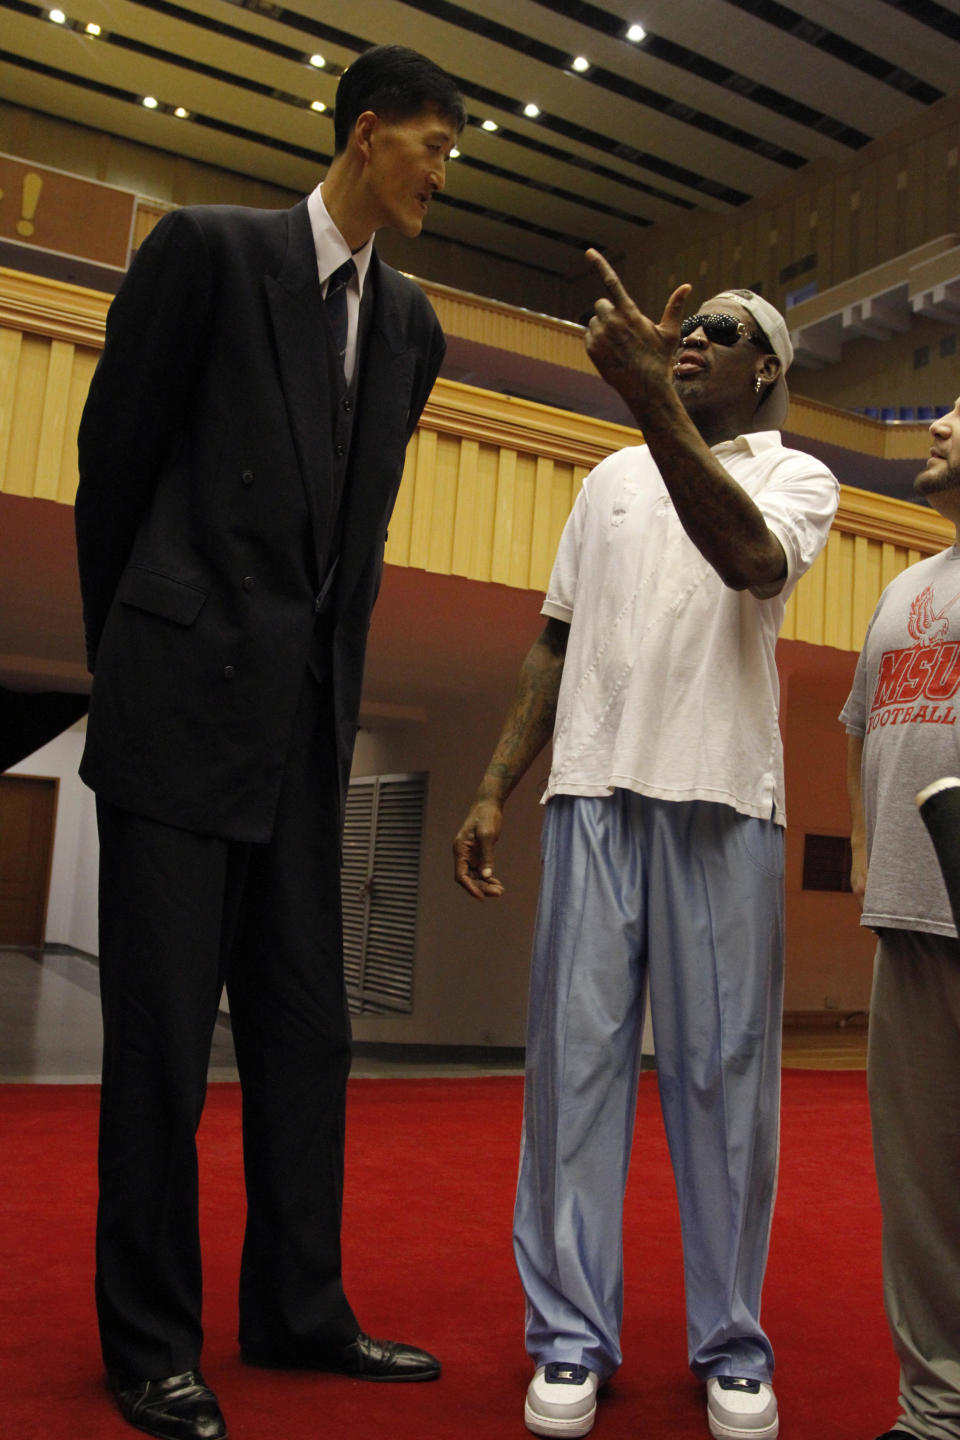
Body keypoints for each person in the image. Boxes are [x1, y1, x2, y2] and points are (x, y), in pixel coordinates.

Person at [75, 45, 464, 1440]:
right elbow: (109, 466)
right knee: (162, 1054)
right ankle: (152, 1344)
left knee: (309, 1038)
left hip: (305, 735)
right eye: (430, 144)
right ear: (367, 137)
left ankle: (299, 1309)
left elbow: (340, 553)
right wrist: (142, 648)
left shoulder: (411, 328)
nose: (442, 171)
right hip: (178, 717)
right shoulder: (209, 254)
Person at [454, 253, 839, 1440]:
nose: (691, 339)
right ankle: (570, 1336)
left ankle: (731, 1344)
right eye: (685, 331)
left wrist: (648, 401)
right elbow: (553, 642)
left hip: (721, 802)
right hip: (591, 798)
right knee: (572, 1081)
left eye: (717, 332)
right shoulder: (609, 479)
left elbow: (746, 561)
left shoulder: (797, 474)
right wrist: (493, 782)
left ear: (764, 367)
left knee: (724, 1087)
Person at [841, 395, 960, 1440]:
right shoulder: (903, 589)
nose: (939, 425)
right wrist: (874, 861)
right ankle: (934, 1414)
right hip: (912, 923)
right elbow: (860, 725)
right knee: (920, 1192)